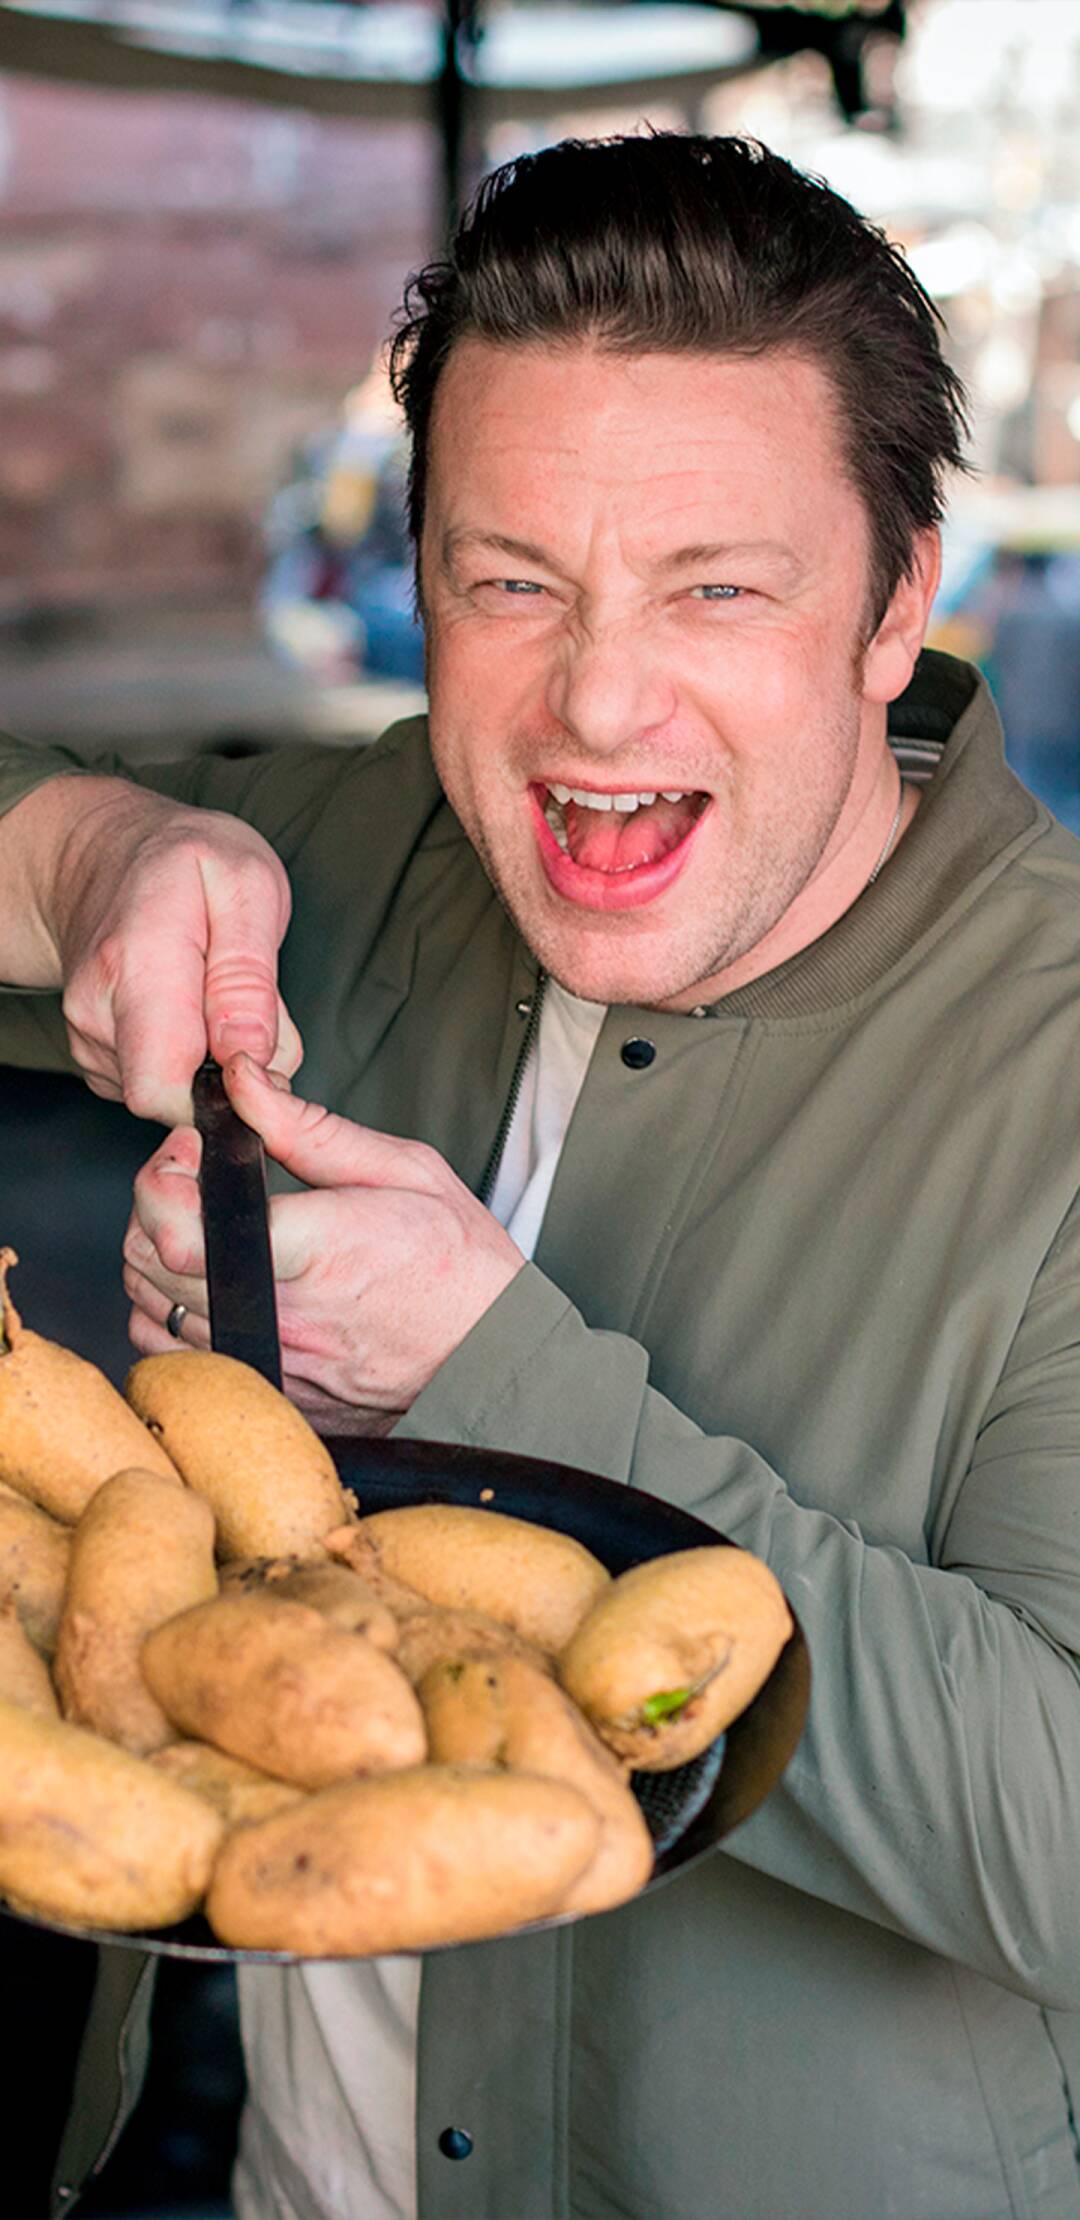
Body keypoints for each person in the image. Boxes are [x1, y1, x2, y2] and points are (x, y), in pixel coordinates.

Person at [2, 133, 1080, 2220]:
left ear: (894, 605)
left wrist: (487, 1369)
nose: (595, 702)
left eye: (718, 587)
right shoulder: (388, 835)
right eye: (511, 582)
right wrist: (99, 857)